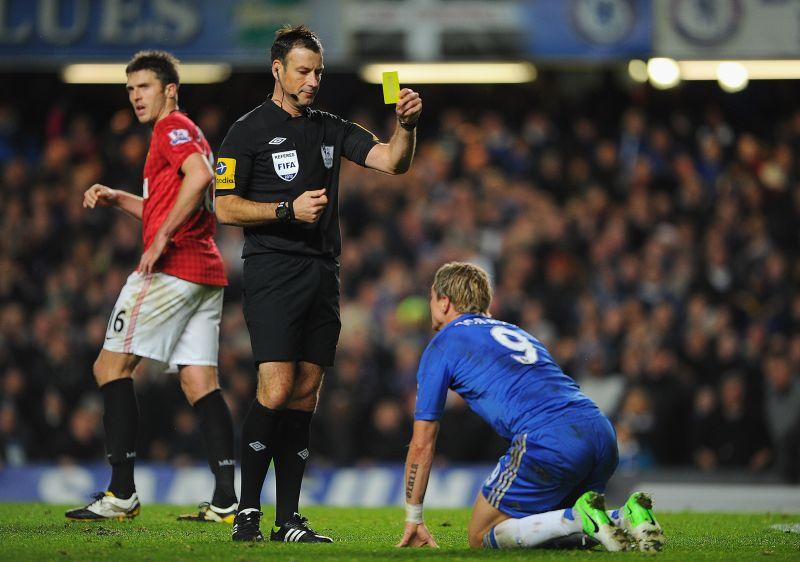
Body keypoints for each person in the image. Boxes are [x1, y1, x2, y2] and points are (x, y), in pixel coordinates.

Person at [214, 25, 422, 542]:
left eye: (318, 72)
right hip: (272, 270)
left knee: (305, 395)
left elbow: (392, 161)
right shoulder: (246, 131)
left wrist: (407, 126)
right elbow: (223, 205)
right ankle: (247, 513)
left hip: (323, 273)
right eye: (303, 71)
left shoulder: (330, 126)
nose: (312, 81)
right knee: (277, 387)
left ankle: (288, 520)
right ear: (277, 70)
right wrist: (286, 208)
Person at [65, 51, 238, 523]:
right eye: (130, 88)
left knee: (109, 367)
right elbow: (180, 198)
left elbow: (200, 177)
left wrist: (161, 237)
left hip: (173, 268)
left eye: (144, 86)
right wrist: (120, 197)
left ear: (170, 90)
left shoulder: (171, 127)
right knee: (199, 380)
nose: (136, 96)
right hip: (205, 272)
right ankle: (226, 499)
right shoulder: (185, 134)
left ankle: (121, 493)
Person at [396, 262, 665, 552]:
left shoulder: (443, 343)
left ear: (444, 301)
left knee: (481, 536)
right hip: (599, 430)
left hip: (548, 439)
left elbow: (422, 442)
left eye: (431, 297)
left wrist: (414, 517)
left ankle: (578, 517)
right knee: (546, 530)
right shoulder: (519, 333)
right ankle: (625, 517)